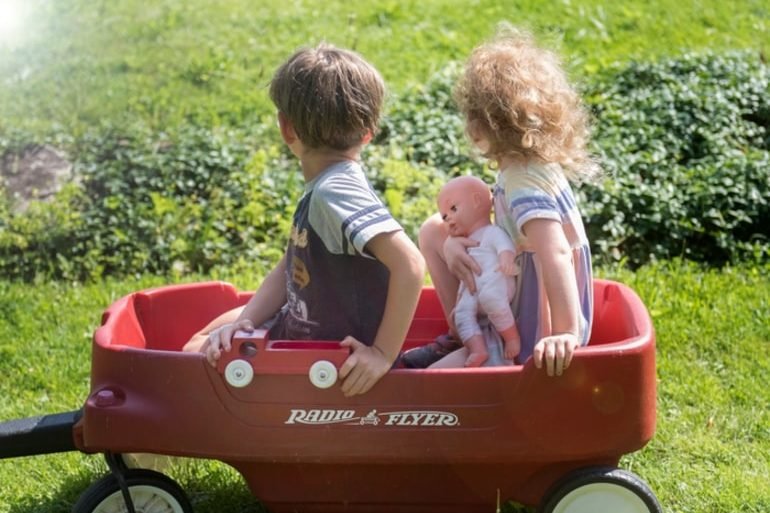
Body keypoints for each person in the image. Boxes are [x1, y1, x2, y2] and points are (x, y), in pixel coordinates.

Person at [183, 43, 425, 397]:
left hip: (322, 360)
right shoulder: (329, 185)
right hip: (301, 330)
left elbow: (411, 264)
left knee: (194, 350)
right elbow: (292, 263)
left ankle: (191, 420)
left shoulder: (335, 191)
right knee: (212, 334)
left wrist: (381, 354)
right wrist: (248, 322)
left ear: (286, 129)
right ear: (368, 133)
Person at [412, 24, 597, 376]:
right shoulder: (526, 165)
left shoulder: (522, 182)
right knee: (435, 231)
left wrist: (565, 333)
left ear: (484, 125)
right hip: (515, 284)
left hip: (535, 326)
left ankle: (483, 345)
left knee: (431, 381)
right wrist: (453, 245)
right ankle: (462, 334)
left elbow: (555, 251)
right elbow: (509, 232)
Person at [435, 175, 520, 367]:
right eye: (443, 216)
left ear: (476, 201)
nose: (447, 218)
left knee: (492, 299)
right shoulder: (462, 241)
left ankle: (512, 337)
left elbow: (503, 245)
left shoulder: (492, 232)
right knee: (462, 314)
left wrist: (506, 258)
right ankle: (477, 349)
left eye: (453, 209)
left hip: (494, 284)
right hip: (473, 291)